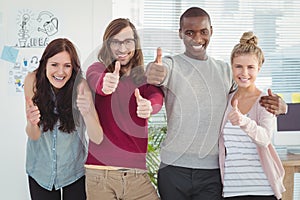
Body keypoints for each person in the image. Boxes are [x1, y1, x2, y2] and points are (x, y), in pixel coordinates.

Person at [146, 7, 287, 200]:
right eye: (189, 32)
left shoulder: (225, 71)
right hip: (173, 169)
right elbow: (156, 71)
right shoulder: (170, 65)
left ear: (211, 31)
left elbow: (248, 90)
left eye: (203, 32)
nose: (197, 39)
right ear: (180, 34)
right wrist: (154, 71)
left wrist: (282, 106)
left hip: (211, 173)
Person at [85, 18, 164, 200]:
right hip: (100, 174)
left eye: (128, 41)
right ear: (107, 44)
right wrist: (106, 84)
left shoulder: (143, 77)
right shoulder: (97, 68)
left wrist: (149, 106)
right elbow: (96, 80)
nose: (122, 48)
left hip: (137, 175)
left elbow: (157, 96)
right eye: (115, 42)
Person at [24, 38, 103, 200]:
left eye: (67, 66)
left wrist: (88, 113)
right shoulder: (32, 81)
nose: (60, 72)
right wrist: (32, 123)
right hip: (40, 169)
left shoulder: (81, 87)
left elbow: (98, 137)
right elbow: (33, 135)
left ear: (73, 68)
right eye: (54, 65)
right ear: (45, 63)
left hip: (73, 170)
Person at [218, 31, 285, 200]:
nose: (244, 73)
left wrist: (244, 121)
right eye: (238, 66)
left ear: (259, 68)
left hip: (262, 190)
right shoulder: (226, 100)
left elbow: (264, 138)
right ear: (232, 67)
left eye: (250, 67)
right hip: (232, 191)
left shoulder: (265, 101)